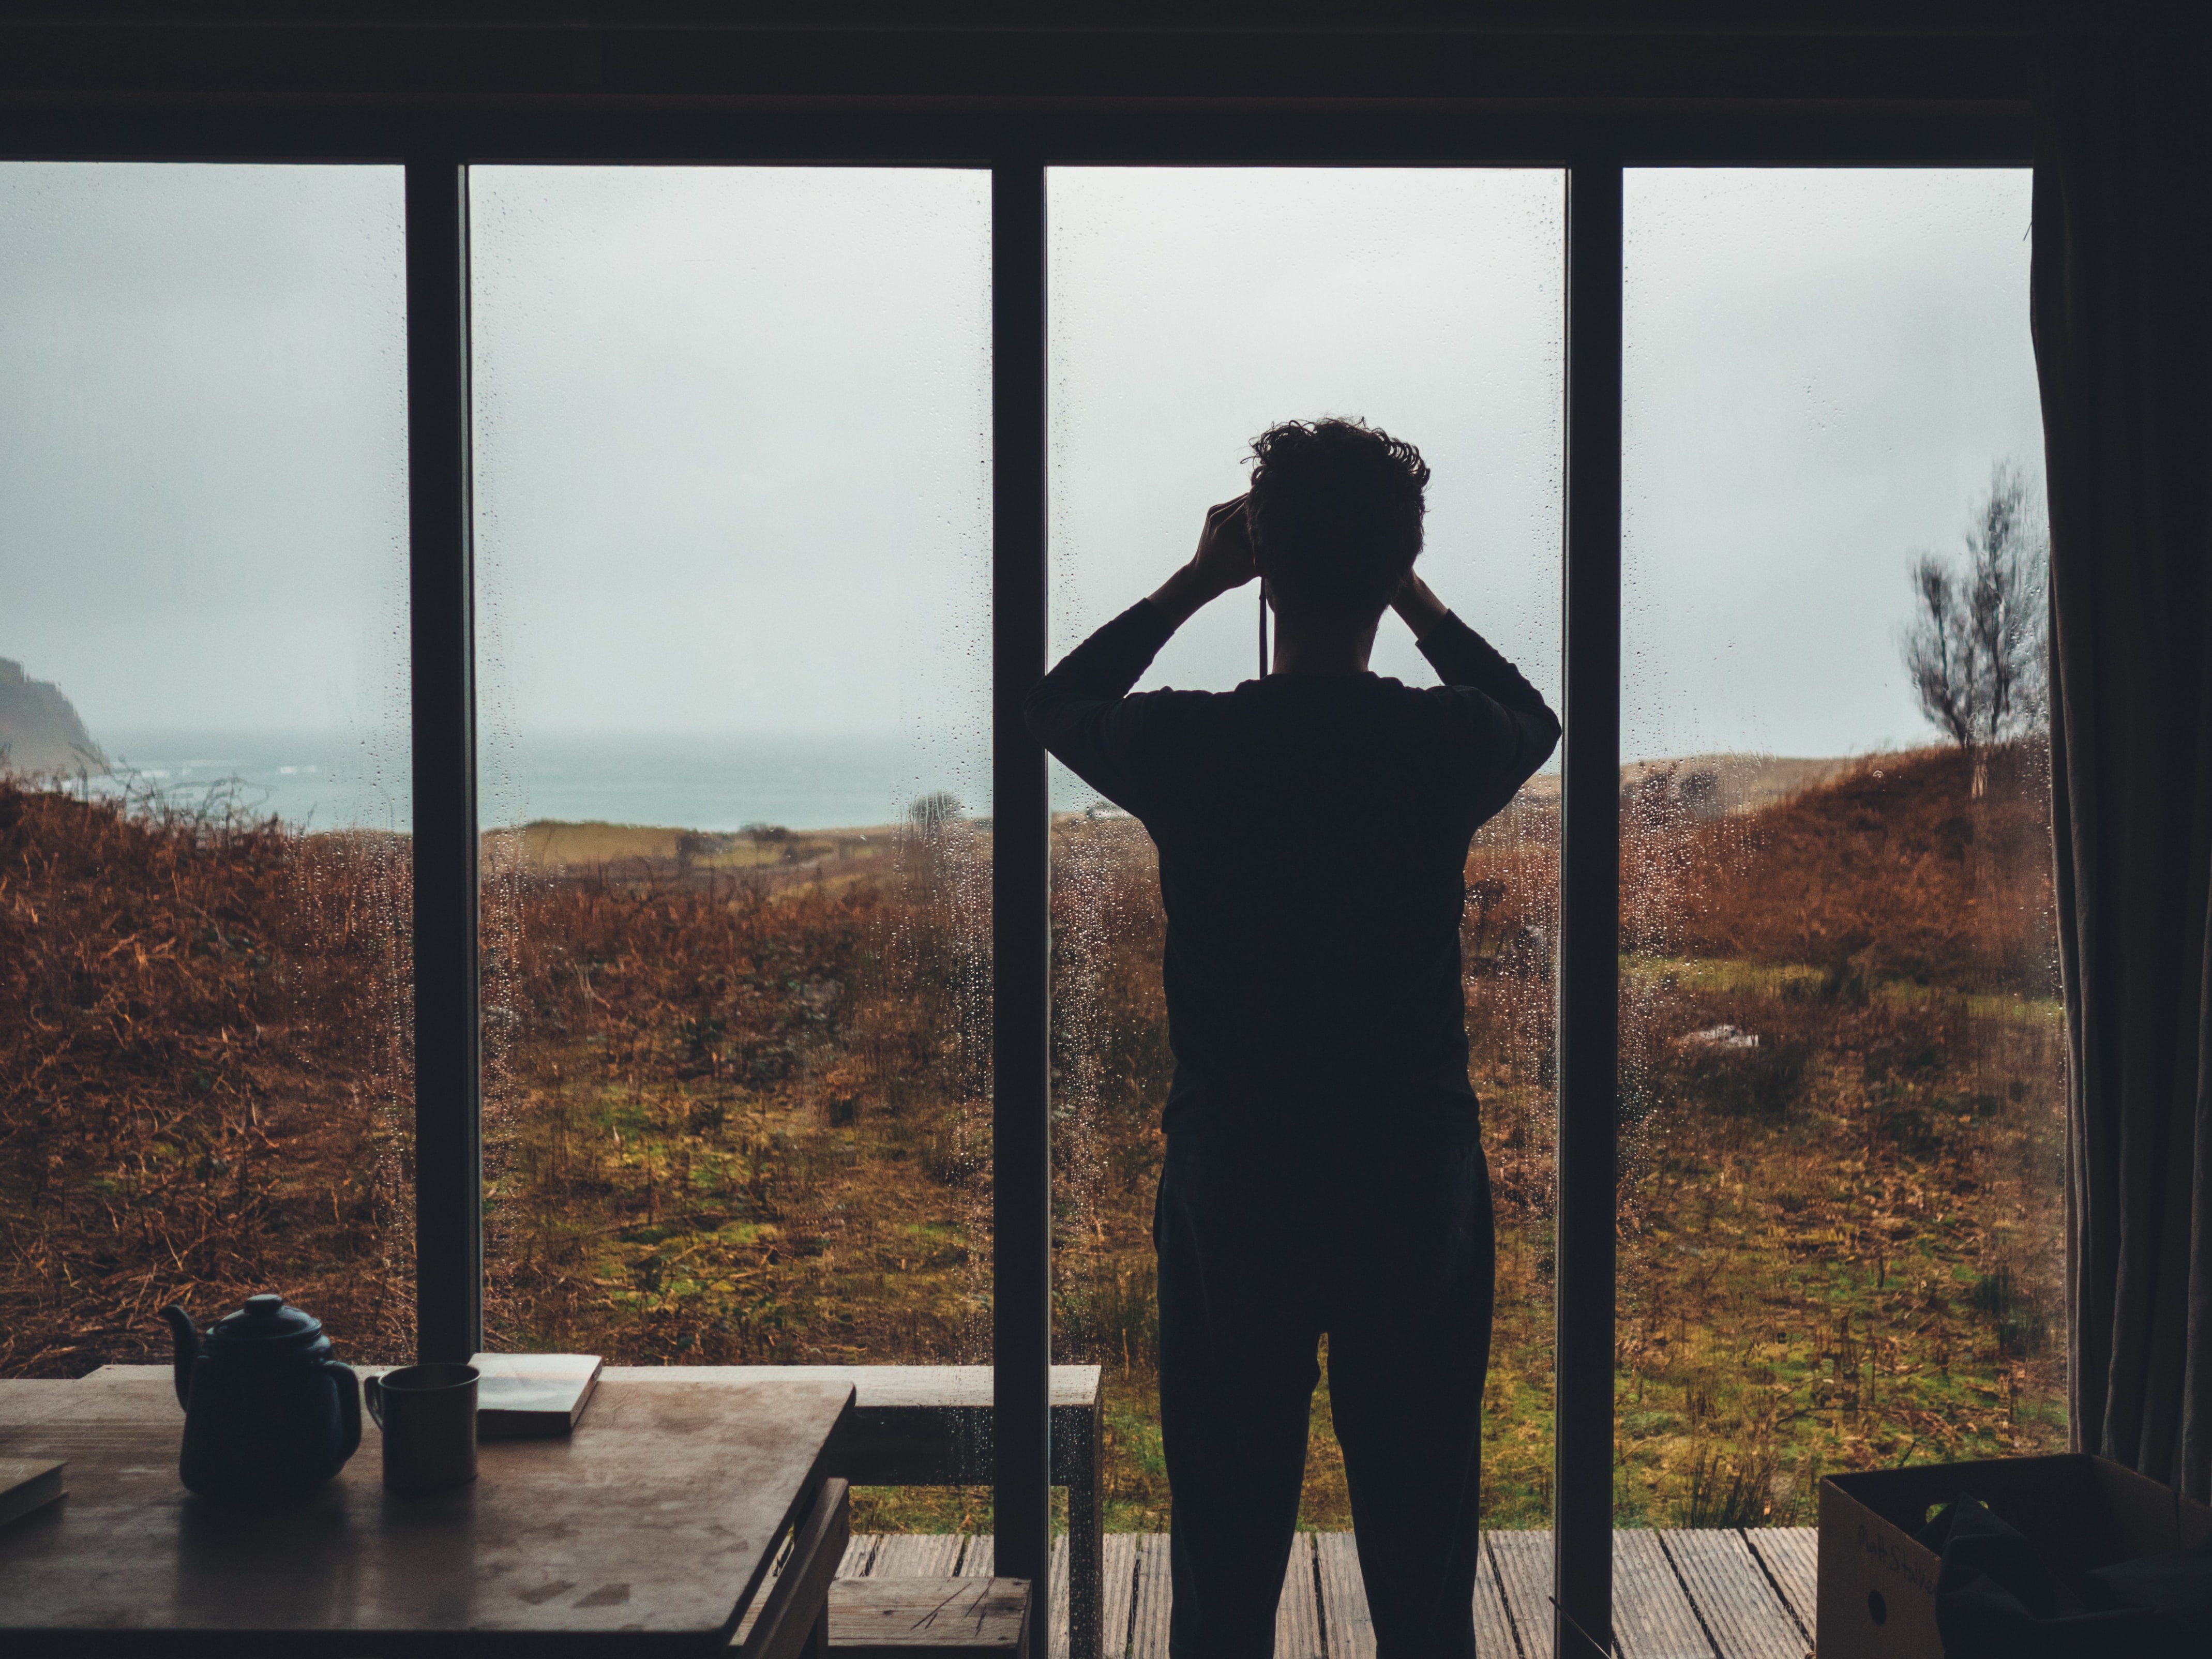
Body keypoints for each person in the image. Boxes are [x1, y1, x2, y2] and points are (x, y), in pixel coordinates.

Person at [1025, 417, 1560, 1659]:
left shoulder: (1200, 745)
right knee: (1423, 1548)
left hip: (1240, 1177)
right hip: (1408, 1176)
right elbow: (1532, 715)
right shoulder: (1436, 744)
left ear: (1263, 569)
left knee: (1225, 1536)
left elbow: (1058, 703)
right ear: (1389, 569)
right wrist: (1408, 591)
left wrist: (1192, 581)